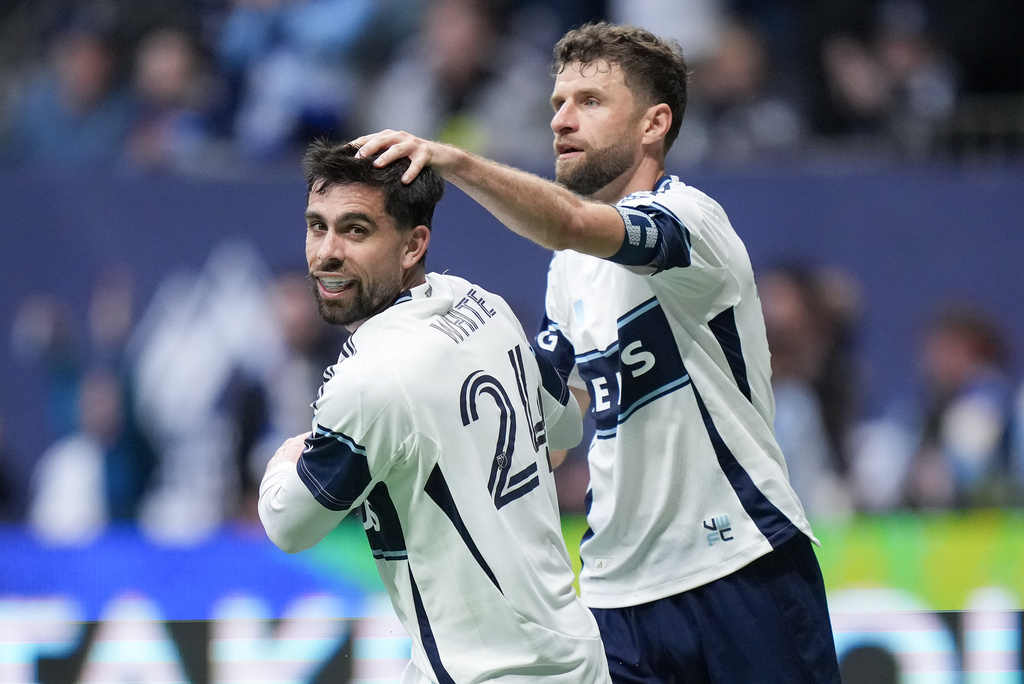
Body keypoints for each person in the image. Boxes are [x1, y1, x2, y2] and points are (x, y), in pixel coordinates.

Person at [354, 21, 841, 683]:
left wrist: (455, 160)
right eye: (557, 102)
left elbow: (572, 221)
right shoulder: (569, 271)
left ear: (654, 123)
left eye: (589, 101)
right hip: (618, 597)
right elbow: (548, 431)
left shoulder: (691, 223)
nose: (562, 118)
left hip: (738, 565)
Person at [257, 139, 612, 684]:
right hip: (575, 657)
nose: (327, 252)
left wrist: (286, 458)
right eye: (316, 226)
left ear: (412, 245)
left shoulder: (370, 375)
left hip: (486, 672)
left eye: (355, 230)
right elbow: (563, 426)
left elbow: (289, 525)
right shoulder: (484, 304)